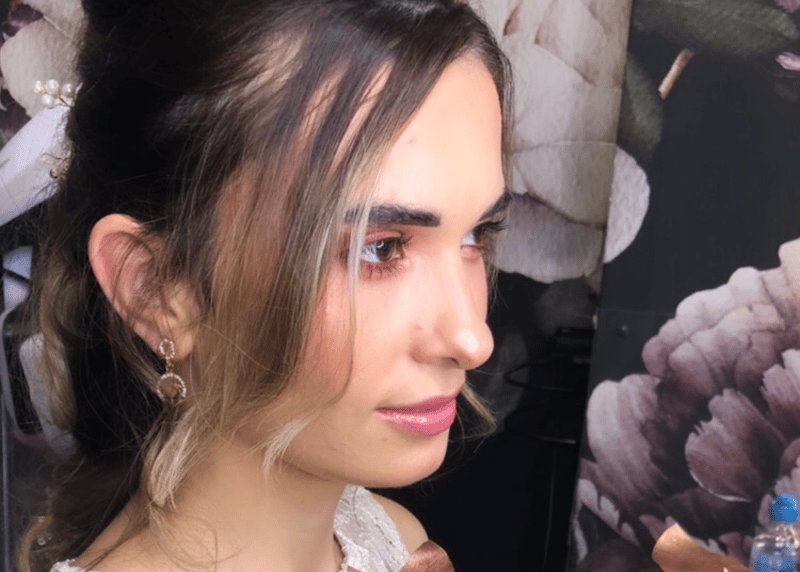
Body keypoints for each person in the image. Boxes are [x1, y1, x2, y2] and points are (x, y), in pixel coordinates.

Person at [18, 0, 511, 571]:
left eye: (477, 234)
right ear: (156, 288)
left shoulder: (394, 544)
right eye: (380, 248)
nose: (473, 340)